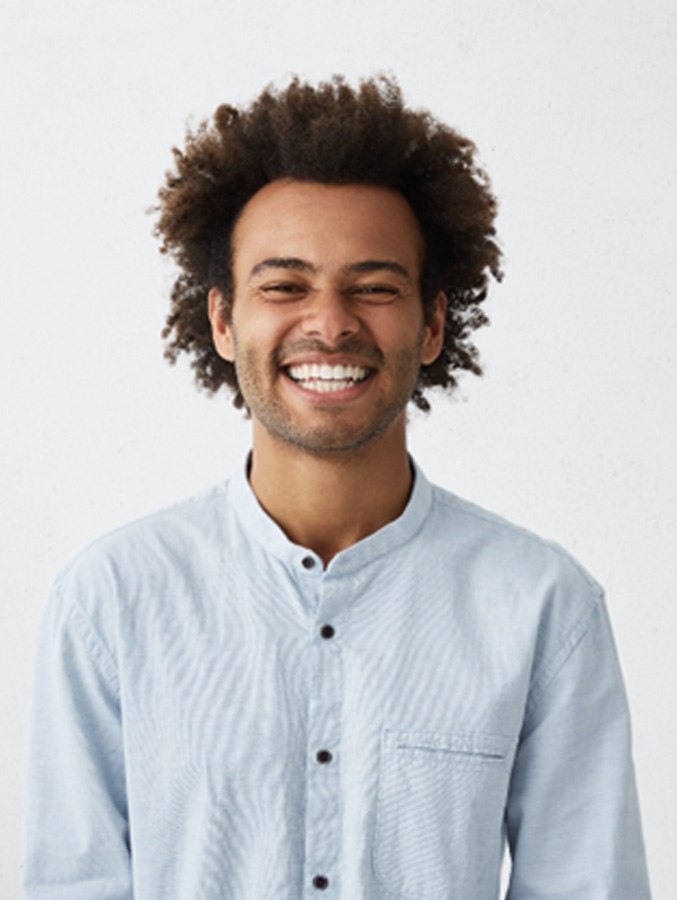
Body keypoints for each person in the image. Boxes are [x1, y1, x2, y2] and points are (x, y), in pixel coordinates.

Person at [24, 76, 651, 899]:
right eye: (284, 285)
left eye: (375, 287)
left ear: (431, 325)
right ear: (221, 321)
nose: (329, 323)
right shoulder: (110, 599)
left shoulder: (542, 607)